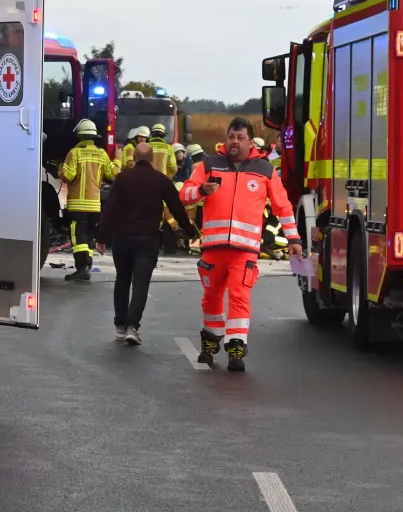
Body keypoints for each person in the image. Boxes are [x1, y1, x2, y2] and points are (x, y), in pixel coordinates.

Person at [180, 117, 302, 371]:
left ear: (250, 141)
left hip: (244, 251)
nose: (235, 142)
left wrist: (293, 238)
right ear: (226, 139)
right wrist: (202, 190)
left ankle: (236, 348)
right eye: (231, 137)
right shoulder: (208, 165)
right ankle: (211, 344)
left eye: (240, 138)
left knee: (239, 296)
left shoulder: (265, 169)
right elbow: (184, 195)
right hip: (213, 250)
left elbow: (283, 207)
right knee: (211, 298)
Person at [98, 142, 196, 345]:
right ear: (151, 159)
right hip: (147, 239)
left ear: (134, 157)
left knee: (122, 280)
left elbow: (109, 210)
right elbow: (176, 207)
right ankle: (133, 327)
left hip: (122, 239)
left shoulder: (122, 179)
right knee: (140, 283)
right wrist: (189, 230)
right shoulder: (160, 180)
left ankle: (119, 326)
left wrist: (101, 237)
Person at [59, 118, 117, 281]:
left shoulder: (74, 153)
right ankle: (87, 266)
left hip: (78, 204)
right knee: (89, 235)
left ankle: (81, 268)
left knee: (78, 237)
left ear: (79, 136)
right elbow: (113, 174)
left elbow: (68, 176)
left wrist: (60, 169)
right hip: (94, 205)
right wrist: (118, 160)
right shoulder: (101, 154)